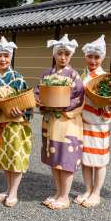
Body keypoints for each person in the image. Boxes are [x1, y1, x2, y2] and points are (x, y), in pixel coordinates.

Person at [35, 34, 84, 210]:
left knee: (66, 158)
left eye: (67, 54)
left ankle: (65, 196)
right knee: (54, 158)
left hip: (67, 122)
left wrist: (61, 105)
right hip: (50, 122)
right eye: (60, 53)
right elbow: (37, 93)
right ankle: (57, 192)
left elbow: (79, 98)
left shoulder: (73, 74)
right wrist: (38, 101)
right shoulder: (46, 74)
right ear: (54, 54)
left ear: (71, 56)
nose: (63, 57)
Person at [75, 35, 111, 208]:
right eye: (90, 56)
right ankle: (88, 189)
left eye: (97, 57)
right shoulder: (82, 74)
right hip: (83, 122)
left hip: (99, 123)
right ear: (85, 56)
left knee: (99, 160)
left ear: (102, 58)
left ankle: (96, 192)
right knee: (86, 159)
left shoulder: (106, 78)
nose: (93, 60)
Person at [0, 36, 33, 207]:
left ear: (11, 58)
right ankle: (8, 189)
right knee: (5, 157)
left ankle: (14, 192)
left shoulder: (17, 78)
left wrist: (22, 111)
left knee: (16, 157)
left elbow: (28, 103)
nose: (3, 59)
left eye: (6, 56)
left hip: (16, 123)